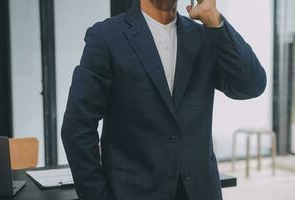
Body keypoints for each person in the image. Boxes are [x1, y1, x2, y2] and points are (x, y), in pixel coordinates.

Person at [61, 0, 266, 199]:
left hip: (200, 191)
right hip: (132, 192)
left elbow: (251, 85)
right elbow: (77, 127)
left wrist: (213, 19)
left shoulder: (204, 36)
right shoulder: (106, 37)